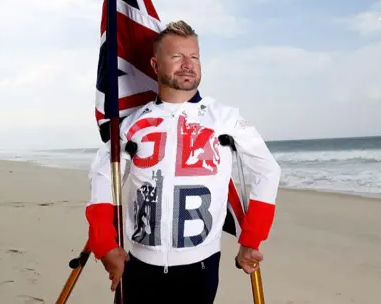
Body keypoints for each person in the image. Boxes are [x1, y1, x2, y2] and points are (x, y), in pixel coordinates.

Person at [85, 20, 281, 303]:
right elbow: (103, 175)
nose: (188, 64)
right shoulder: (132, 124)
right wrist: (104, 245)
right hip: (138, 265)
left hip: (199, 267)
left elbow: (267, 170)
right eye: (177, 56)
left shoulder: (225, 118)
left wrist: (251, 238)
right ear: (155, 65)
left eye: (194, 57)